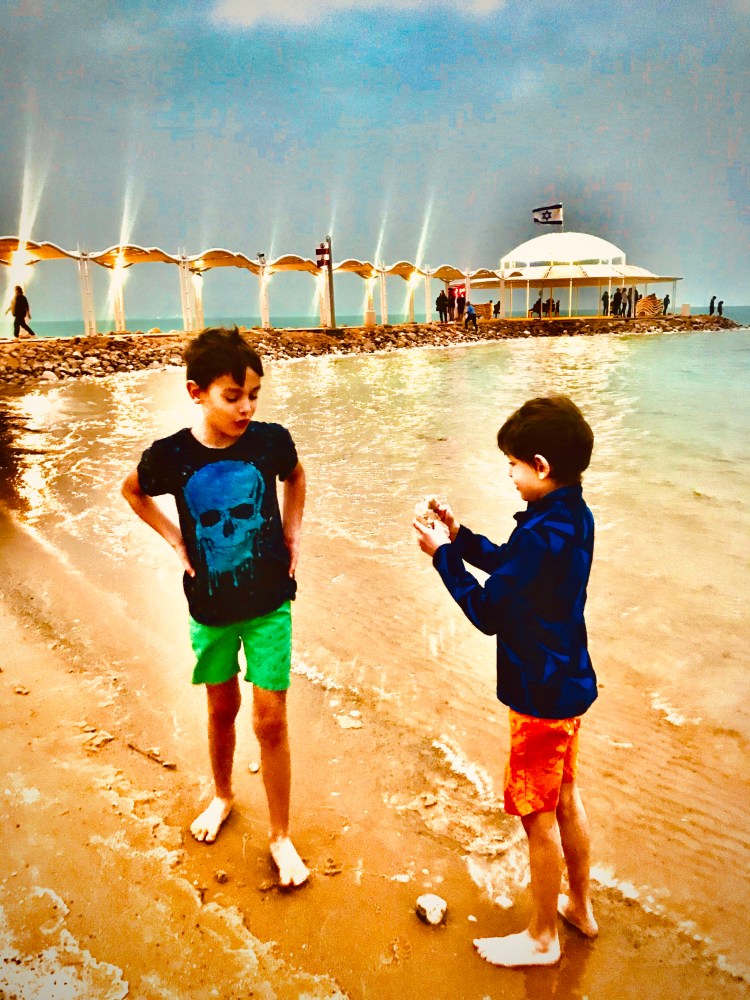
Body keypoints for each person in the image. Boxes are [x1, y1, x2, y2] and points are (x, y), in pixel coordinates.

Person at [413, 396, 598, 968]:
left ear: (541, 465)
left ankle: (542, 937)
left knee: (536, 815)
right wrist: (459, 535)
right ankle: (579, 907)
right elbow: (511, 567)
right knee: (565, 798)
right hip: (567, 683)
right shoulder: (572, 516)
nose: (510, 475)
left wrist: (443, 558)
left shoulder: (540, 533)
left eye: (513, 465)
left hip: (537, 697)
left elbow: (490, 612)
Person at [121, 327, 309, 888]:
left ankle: (280, 834)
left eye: (254, 394)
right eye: (233, 396)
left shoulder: (270, 442)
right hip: (210, 609)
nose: (246, 407)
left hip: (270, 602)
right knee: (221, 707)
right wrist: (176, 540)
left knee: (271, 719)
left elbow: (296, 476)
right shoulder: (172, 456)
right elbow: (132, 491)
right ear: (196, 392)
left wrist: (293, 533)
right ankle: (223, 795)